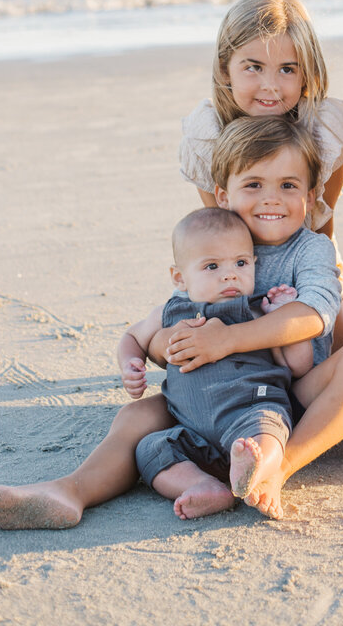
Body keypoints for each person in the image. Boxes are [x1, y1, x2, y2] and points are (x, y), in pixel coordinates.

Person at [0, 118, 343, 529]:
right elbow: (162, 325)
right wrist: (158, 348)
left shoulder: (309, 249)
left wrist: (227, 340)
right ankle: (71, 490)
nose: (271, 199)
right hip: (200, 397)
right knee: (137, 421)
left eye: (288, 185)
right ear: (224, 196)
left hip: (282, 393)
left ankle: (276, 469)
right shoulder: (208, 238)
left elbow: (314, 314)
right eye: (254, 185)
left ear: (311, 195)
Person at [180, 0, 343, 345]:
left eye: (287, 69)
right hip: (236, 268)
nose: (270, 86)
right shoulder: (207, 137)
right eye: (253, 67)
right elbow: (220, 232)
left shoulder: (324, 133)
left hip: (308, 261)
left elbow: (320, 228)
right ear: (225, 69)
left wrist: (321, 297)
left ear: (305, 74)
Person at [121, 206, 313, 521]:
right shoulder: (169, 313)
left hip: (251, 410)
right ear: (179, 277)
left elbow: (299, 365)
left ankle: (256, 469)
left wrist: (285, 313)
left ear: (254, 264)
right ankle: (205, 486)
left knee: (270, 429)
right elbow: (133, 337)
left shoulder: (258, 313)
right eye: (212, 266)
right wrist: (131, 363)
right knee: (150, 448)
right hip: (190, 432)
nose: (229, 274)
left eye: (240, 263)